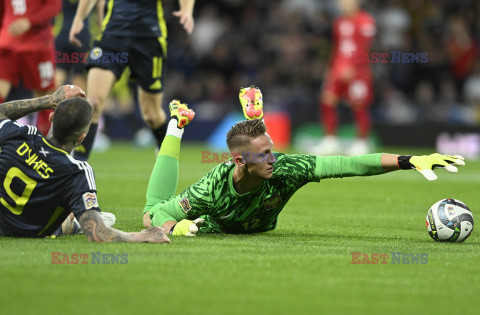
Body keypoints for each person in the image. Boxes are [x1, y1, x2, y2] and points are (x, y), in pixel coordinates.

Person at [142, 88, 465, 235]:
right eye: (265, 153)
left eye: (272, 150)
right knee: (150, 208)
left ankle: (255, 122)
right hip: (219, 217)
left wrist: (409, 160)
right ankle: (176, 126)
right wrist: (178, 227)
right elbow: (157, 217)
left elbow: (348, 164)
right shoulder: (212, 187)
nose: (274, 159)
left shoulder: (284, 168)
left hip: (253, 213)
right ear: (239, 161)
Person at [0, 85, 170, 243]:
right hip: (30, 233)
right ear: (82, 137)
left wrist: (49, 99)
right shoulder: (78, 171)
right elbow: (98, 233)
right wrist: (142, 236)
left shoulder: (22, 135)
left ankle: (74, 218)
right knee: (98, 218)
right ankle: (74, 222)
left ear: (51, 117)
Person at [68, 0, 196, 161]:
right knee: (92, 103)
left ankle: (166, 158)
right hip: (113, 35)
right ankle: (77, 168)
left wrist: (186, 10)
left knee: (152, 114)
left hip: (149, 37)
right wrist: (79, 18)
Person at [314, 0, 376, 156]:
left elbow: (366, 47)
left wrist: (354, 66)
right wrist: (331, 67)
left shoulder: (366, 21)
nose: (344, 4)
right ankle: (330, 141)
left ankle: (362, 142)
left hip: (358, 71)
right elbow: (336, 47)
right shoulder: (339, 22)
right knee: (327, 100)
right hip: (338, 69)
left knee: (359, 104)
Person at [0, 0, 61, 136]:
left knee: (46, 99)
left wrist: (29, 20)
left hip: (37, 45)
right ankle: (44, 147)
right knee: (46, 99)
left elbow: (53, 7)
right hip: (9, 43)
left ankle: (44, 146)